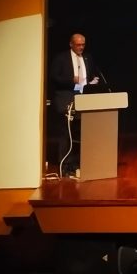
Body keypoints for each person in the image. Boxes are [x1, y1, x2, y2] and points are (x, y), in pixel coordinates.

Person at [48, 32, 102, 175]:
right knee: (66, 134)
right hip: (66, 99)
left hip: (83, 99)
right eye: (78, 45)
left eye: (83, 44)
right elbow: (53, 77)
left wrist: (92, 81)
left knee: (83, 132)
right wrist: (71, 80)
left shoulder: (87, 57)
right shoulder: (61, 58)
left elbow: (89, 76)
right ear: (71, 44)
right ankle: (65, 166)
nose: (81, 47)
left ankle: (80, 163)